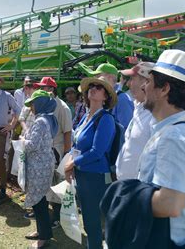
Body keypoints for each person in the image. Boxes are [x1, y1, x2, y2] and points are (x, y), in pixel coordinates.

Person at [137, 50, 185, 246]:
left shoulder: (173, 137)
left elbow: (170, 205)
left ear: (164, 89)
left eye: (149, 81)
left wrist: (121, 198)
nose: (143, 86)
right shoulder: (176, 131)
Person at [64, 76, 117, 249]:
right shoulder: (86, 117)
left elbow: (97, 152)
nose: (93, 88)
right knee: (88, 222)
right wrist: (72, 160)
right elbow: (76, 144)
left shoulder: (106, 119)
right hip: (83, 175)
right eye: (91, 86)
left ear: (106, 97)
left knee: (93, 224)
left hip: (95, 178)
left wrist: (73, 164)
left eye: (99, 87)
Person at [34, 76, 73, 227]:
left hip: (57, 149)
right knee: (49, 184)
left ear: (51, 89)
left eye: (43, 88)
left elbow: (67, 132)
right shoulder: (45, 104)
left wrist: (66, 156)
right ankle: (53, 214)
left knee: (58, 185)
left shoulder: (62, 107)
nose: (41, 90)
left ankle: (57, 217)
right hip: (46, 150)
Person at [21, 90, 58, 248]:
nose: (31, 108)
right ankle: (41, 231)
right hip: (43, 164)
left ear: (40, 103)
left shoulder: (40, 121)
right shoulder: (49, 118)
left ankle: (43, 238)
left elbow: (32, 145)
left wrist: (23, 140)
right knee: (39, 200)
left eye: (33, 104)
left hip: (38, 166)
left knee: (39, 202)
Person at [115, 62, 155, 180]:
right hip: (129, 185)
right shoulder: (138, 108)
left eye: (132, 78)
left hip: (140, 187)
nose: (128, 83)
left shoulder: (154, 115)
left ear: (146, 82)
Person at [91, 63, 134, 130]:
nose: (95, 79)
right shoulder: (109, 96)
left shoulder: (121, 98)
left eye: (98, 76)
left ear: (110, 77)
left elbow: (126, 129)